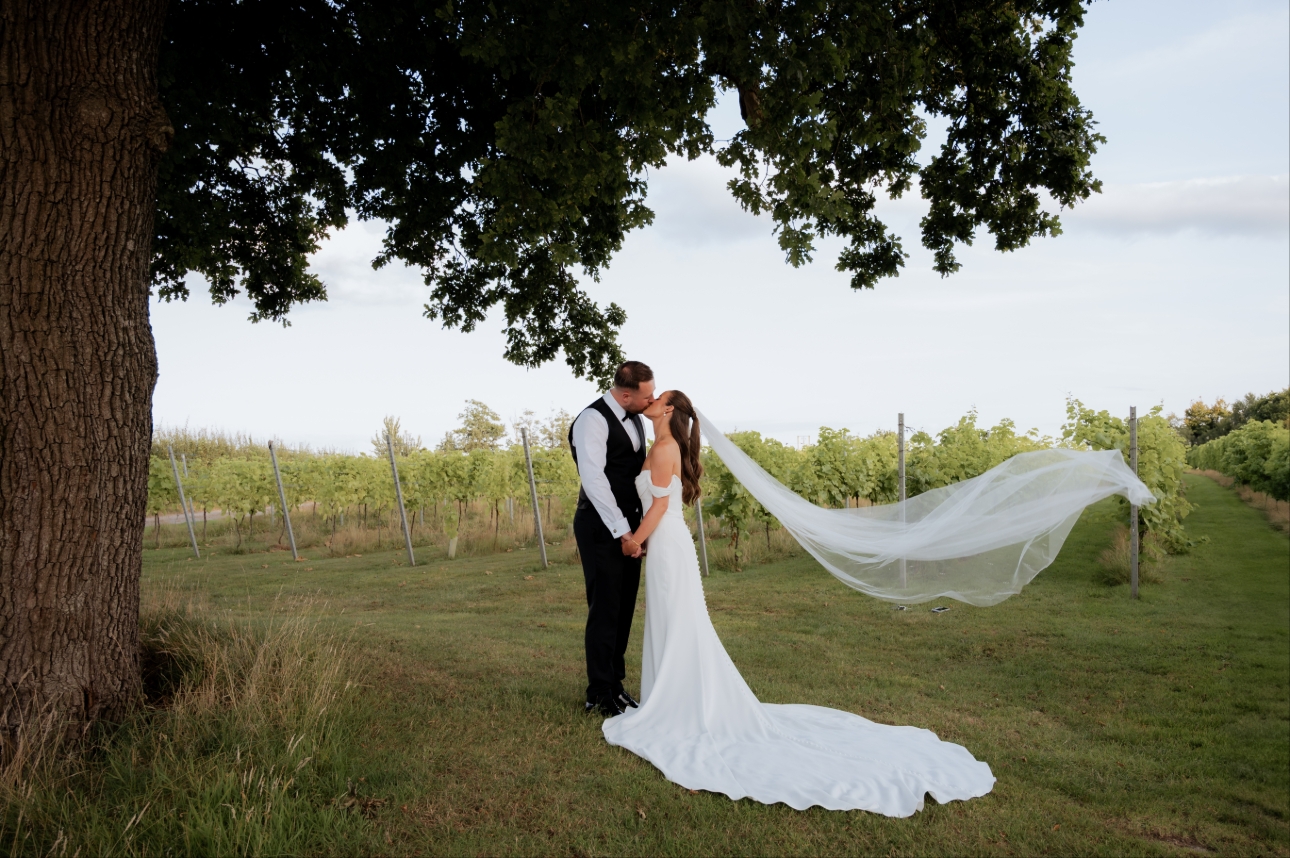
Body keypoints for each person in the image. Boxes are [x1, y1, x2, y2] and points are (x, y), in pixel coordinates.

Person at [599, 389, 997, 816]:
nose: (650, 402)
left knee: (678, 620)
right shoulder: (665, 445)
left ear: (669, 410)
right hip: (667, 546)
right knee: (675, 620)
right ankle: (672, 695)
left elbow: (659, 506)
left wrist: (633, 542)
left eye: (657, 399)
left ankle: (677, 703)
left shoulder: (663, 447)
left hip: (665, 543)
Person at [569, 360, 655, 717]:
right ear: (625, 394)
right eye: (647, 395)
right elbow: (595, 481)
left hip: (630, 530)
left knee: (623, 610)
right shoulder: (592, 419)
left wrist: (640, 530)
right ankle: (598, 692)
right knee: (604, 609)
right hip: (600, 527)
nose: (651, 401)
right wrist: (623, 532)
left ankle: (616, 686)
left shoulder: (634, 417)